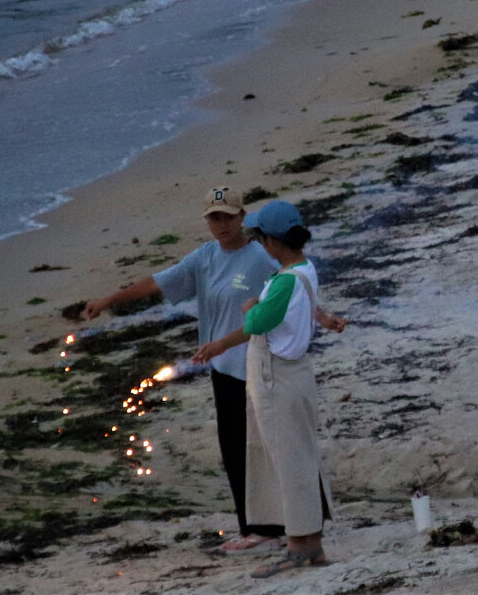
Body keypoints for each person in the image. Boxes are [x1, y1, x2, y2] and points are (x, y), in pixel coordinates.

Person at [83, 186, 285, 553]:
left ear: (242, 217)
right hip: (222, 366)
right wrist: (108, 300)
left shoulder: (260, 259)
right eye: (214, 217)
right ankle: (256, 527)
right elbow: (159, 282)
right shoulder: (205, 257)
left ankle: (266, 528)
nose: (221, 224)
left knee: (257, 446)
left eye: (227, 216)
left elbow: (286, 300)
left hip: (255, 364)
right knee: (234, 448)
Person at [193, 200, 341, 577]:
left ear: (272, 242)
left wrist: (249, 306)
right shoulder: (305, 269)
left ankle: (297, 546)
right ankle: (309, 544)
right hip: (295, 372)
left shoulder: (284, 280)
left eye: (260, 238)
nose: (258, 243)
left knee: (286, 463)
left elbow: (260, 321)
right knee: (300, 458)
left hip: (277, 375)